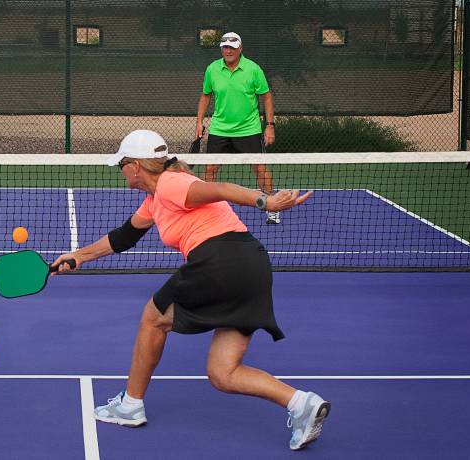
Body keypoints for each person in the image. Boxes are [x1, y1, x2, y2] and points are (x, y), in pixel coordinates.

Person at [52, 130, 330, 451]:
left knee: (152, 318)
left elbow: (222, 188)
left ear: (136, 167)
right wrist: (79, 256)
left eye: (122, 165)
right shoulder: (156, 198)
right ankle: (302, 403)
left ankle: (130, 405)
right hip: (250, 267)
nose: (121, 171)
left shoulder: (173, 183)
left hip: (219, 261)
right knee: (223, 373)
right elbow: (124, 237)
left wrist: (265, 201)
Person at [195, 32, 281, 224]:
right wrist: (199, 122)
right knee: (210, 168)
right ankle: (207, 209)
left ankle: (272, 207)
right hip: (219, 129)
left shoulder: (253, 69)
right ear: (221, 50)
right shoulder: (212, 69)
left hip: (249, 129)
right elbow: (205, 96)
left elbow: (266, 96)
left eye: (232, 47)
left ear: (240, 48)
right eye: (225, 47)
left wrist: (269, 126)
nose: (228, 50)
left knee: (259, 168)